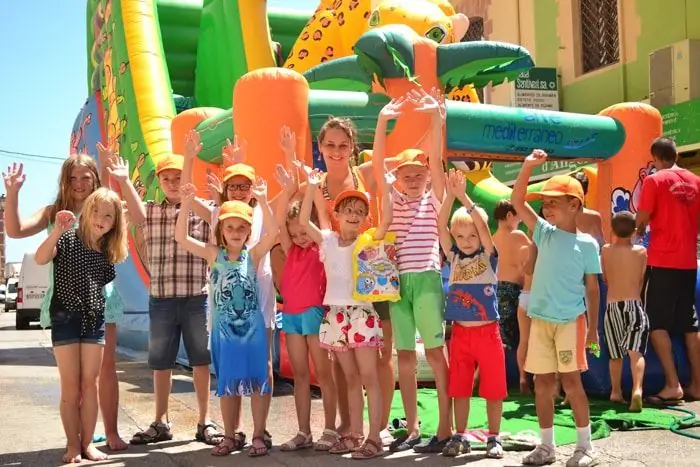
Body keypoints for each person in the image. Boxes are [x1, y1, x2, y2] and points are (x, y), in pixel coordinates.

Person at [2, 154, 129, 451]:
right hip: (65, 300)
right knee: (73, 381)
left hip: (101, 299)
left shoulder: (103, 207)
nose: (79, 183)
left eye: (86, 177)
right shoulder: (54, 212)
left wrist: (122, 181)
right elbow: (15, 230)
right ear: (64, 180)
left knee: (103, 371)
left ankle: (108, 433)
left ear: (95, 178)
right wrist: (13, 194)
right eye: (72, 177)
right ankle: (78, 440)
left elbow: (134, 218)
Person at [120, 141, 223, 446]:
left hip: (196, 297)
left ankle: (205, 421)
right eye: (167, 178)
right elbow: (135, 214)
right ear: (160, 182)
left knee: (200, 362)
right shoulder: (151, 211)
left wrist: (192, 160)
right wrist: (124, 179)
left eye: (178, 177)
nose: (173, 183)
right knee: (161, 362)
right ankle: (160, 420)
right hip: (162, 298)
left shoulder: (202, 212)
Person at [372, 89, 453, 454]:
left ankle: (445, 425)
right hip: (398, 283)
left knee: (435, 353)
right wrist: (381, 123)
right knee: (403, 355)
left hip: (427, 279)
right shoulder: (392, 198)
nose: (414, 178)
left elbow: (436, 159)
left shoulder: (433, 198)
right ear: (398, 176)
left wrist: (436, 117)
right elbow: (376, 167)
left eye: (419, 173)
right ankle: (413, 425)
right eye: (407, 174)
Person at [306, 116, 395, 442]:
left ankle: (380, 427)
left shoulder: (365, 172)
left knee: (379, 360)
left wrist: (384, 121)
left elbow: (389, 163)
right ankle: (349, 426)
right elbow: (288, 207)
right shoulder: (316, 185)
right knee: (346, 364)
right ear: (320, 147)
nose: (336, 150)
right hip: (338, 285)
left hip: (371, 278)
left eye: (343, 145)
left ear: (353, 147)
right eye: (330, 144)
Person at [175, 178, 279, 457]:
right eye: (230, 227)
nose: (235, 232)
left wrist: (264, 200)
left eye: (241, 227)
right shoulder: (213, 254)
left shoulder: (254, 255)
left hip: (253, 332)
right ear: (221, 229)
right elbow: (181, 238)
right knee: (227, 384)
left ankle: (258, 434)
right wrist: (185, 204)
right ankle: (230, 436)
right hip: (223, 333)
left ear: (248, 231)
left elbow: (274, 233)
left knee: (258, 381)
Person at [511, 150, 601, 467]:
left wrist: (593, 327)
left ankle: (585, 447)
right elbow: (518, 200)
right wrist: (527, 167)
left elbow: (592, 287)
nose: (546, 208)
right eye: (545, 202)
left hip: (569, 322)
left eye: (554, 202)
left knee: (572, 383)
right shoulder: (542, 233)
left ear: (574, 204)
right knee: (543, 384)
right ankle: (546, 447)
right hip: (540, 321)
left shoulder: (588, 244)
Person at [34, 187, 128, 463]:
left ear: (114, 223)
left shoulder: (107, 251)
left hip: (94, 319)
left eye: (109, 216)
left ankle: (87, 444)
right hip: (64, 318)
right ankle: (72, 446)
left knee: (90, 384)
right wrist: (56, 231)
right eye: (96, 211)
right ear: (86, 211)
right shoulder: (66, 237)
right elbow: (41, 258)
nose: (101, 218)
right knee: (70, 386)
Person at [438, 169, 506, 459]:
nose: (466, 240)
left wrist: (464, 197)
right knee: (460, 388)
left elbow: (482, 225)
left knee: (493, 389)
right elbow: (441, 224)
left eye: (472, 235)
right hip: (461, 333)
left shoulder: (489, 255)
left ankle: (493, 437)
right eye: (461, 235)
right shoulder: (452, 257)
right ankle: (460, 435)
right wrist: (449, 196)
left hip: (488, 332)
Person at [273, 162, 339, 452]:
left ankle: (330, 429)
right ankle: (303, 431)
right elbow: (280, 222)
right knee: (300, 375)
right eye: (294, 233)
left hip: (314, 313)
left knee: (324, 374)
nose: (299, 238)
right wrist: (273, 196)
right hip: (291, 315)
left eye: (303, 232)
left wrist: (310, 187)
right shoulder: (290, 249)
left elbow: (318, 221)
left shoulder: (321, 246)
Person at [636, 137, 700, 404]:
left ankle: (673, 385)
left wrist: (637, 231)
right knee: (690, 323)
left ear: (655, 158)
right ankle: (697, 384)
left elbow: (642, 217)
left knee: (656, 322)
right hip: (689, 262)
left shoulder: (654, 181)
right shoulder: (696, 181)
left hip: (663, 260)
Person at [601, 211, 649, 412]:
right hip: (633, 304)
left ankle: (616, 391)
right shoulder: (640, 252)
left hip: (612, 306)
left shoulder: (605, 250)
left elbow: (605, 278)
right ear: (634, 231)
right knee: (635, 352)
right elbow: (641, 279)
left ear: (611, 230)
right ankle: (637, 390)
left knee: (615, 354)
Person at [492, 199, 531, 351]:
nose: (519, 222)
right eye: (518, 218)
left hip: (494, 293)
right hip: (512, 293)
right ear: (509, 215)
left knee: (499, 341)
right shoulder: (517, 235)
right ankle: (520, 374)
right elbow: (535, 256)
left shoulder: (492, 240)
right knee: (519, 342)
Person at [571, 171, 605, 247]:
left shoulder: (560, 215)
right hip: (589, 256)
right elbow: (601, 244)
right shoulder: (594, 216)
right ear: (586, 191)